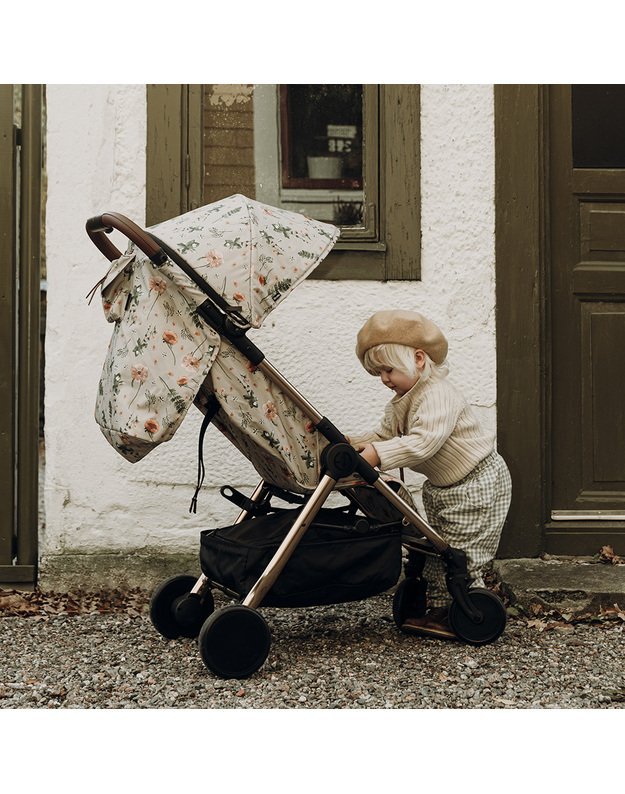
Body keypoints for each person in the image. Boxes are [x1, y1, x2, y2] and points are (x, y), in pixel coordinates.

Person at [349, 309, 512, 640]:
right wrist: (348, 443)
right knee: (438, 548)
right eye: (378, 372)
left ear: (419, 360)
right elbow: (383, 436)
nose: (383, 379)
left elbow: (424, 444)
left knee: (461, 554)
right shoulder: (402, 401)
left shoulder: (439, 394)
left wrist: (378, 455)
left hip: (477, 482)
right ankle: (440, 607)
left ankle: (468, 610)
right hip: (444, 489)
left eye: (389, 369)